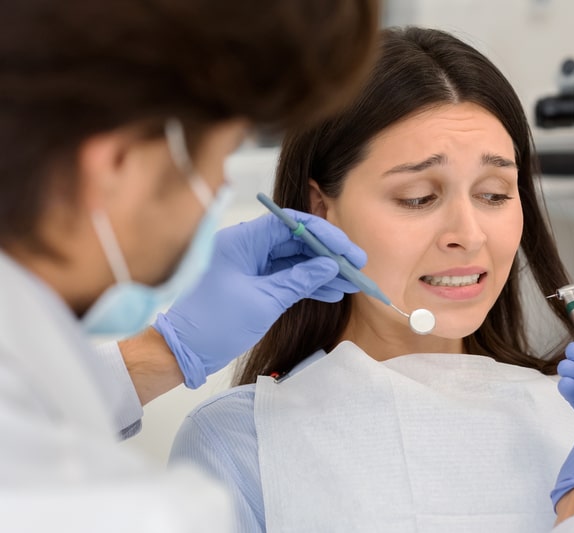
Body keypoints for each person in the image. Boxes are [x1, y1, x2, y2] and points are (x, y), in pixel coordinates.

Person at [169, 27, 574, 533]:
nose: (469, 233)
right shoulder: (241, 445)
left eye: (494, 194)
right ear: (321, 209)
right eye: (419, 197)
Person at [0, 1, 380, 531]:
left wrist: (168, 350)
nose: (219, 191)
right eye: (219, 158)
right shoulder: (129, 506)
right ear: (119, 164)